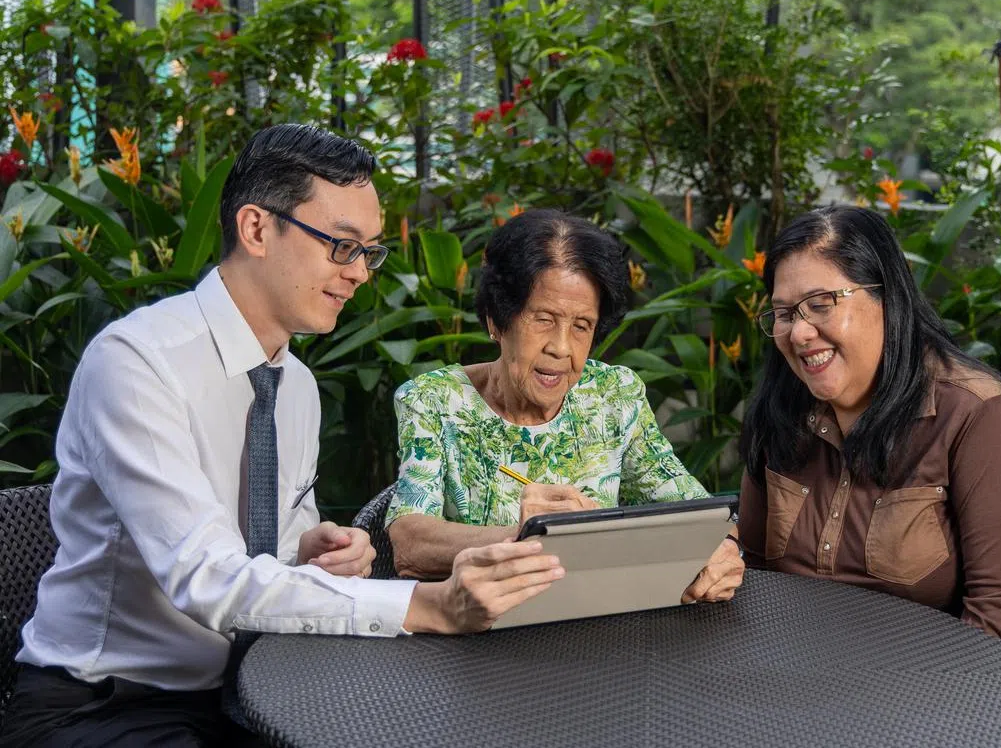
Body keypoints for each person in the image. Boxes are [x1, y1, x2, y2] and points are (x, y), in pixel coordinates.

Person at [0, 125, 564, 748]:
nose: (358, 275)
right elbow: (206, 579)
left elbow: (271, 545)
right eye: (341, 246)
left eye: (369, 253)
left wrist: (312, 550)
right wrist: (428, 604)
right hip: (106, 705)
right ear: (256, 229)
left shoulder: (293, 382)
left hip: (259, 684)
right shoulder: (138, 362)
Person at [736, 205, 1001, 747]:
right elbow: (756, 579)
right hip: (837, 694)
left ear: (886, 297)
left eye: (821, 304)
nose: (800, 331)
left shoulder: (977, 416)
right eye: (784, 313)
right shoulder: (780, 414)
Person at [385, 209, 744, 603]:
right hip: (480, 634)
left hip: (602, 623)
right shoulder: (434, 400)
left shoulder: (614, 395)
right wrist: (531, 539)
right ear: (497, 320)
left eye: (581, 326)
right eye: (543, 319)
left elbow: (700, 513)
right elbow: (410, 542)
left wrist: (723, 548)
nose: (561, 347)